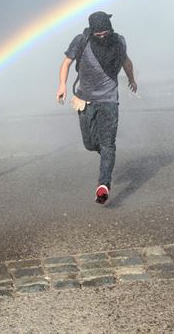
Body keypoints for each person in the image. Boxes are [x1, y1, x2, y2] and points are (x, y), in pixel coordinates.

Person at [56, 11, 137, 204]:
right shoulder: (81, 41)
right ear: (92, 32)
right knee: (90, 144)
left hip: (109, 100)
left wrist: (132, 79)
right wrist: (62, 85)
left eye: (105, 33)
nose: (102, 37)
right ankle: (106, 157)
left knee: (108, 143)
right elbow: (66, 63)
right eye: (98, 34)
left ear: (110, 29)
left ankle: (103, 185)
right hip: (85, 100)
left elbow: (126, 61)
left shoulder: (118, 42)